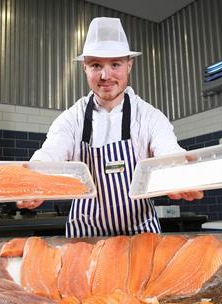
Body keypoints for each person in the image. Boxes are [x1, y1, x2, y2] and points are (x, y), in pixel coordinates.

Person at [17, 17, 203, 237]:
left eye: (115, 64)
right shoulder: (72, 118)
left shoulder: (149, 116)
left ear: (129, 65)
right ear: (84, 67)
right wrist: (34, 180)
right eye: (96, 65)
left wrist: (180, 174)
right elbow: (50, 152)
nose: (105, 76)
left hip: (141, 233)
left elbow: (169, 150)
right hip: (85, 236)